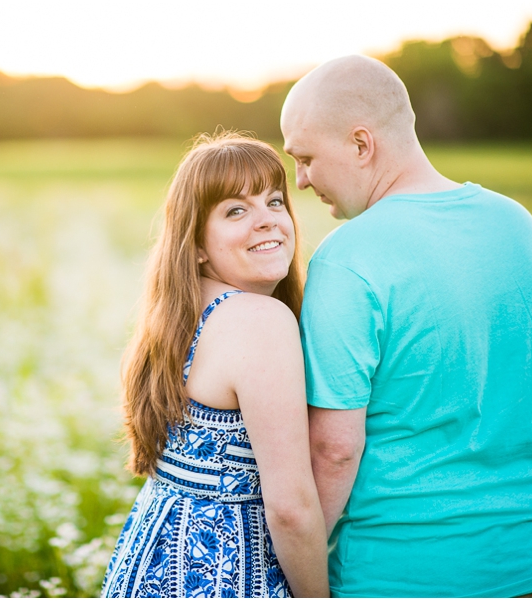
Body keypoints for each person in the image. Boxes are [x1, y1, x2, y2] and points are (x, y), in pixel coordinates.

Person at [280, 54, 532, 598]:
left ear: (361, 145)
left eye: (307, 158)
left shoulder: (347, 259)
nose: (300, 181)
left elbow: (334, 451)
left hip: (398, 578)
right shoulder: (525, 230)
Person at [101, 131, 329, 598]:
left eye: (274, 201)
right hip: (222, 572)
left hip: (150, 562)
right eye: (235, 210)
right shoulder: (259, 320)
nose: (267, 221)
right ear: (198, 243)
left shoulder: (179, 314)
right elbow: (289, 508)